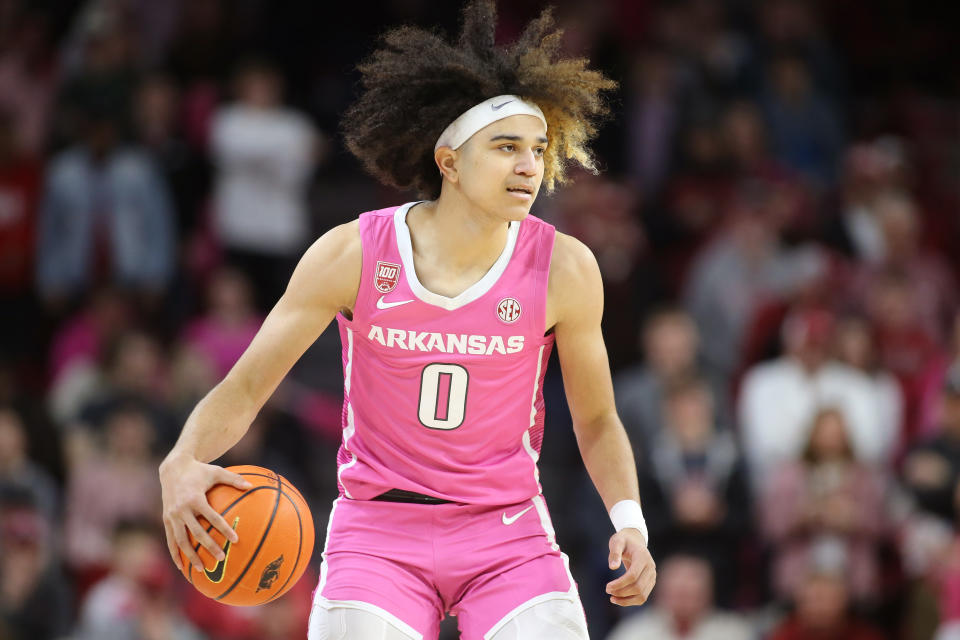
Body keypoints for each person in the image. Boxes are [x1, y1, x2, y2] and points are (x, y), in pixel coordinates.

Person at [159, 3, 656, 640]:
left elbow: (595, 419)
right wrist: (182, 459)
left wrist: (631, 521)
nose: (530, 166)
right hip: (377, 531)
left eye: (538, 149)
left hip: (505, 531)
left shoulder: (565, 267)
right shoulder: (353, 254)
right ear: (449, 161)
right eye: (507, 148)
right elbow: (247, 387)